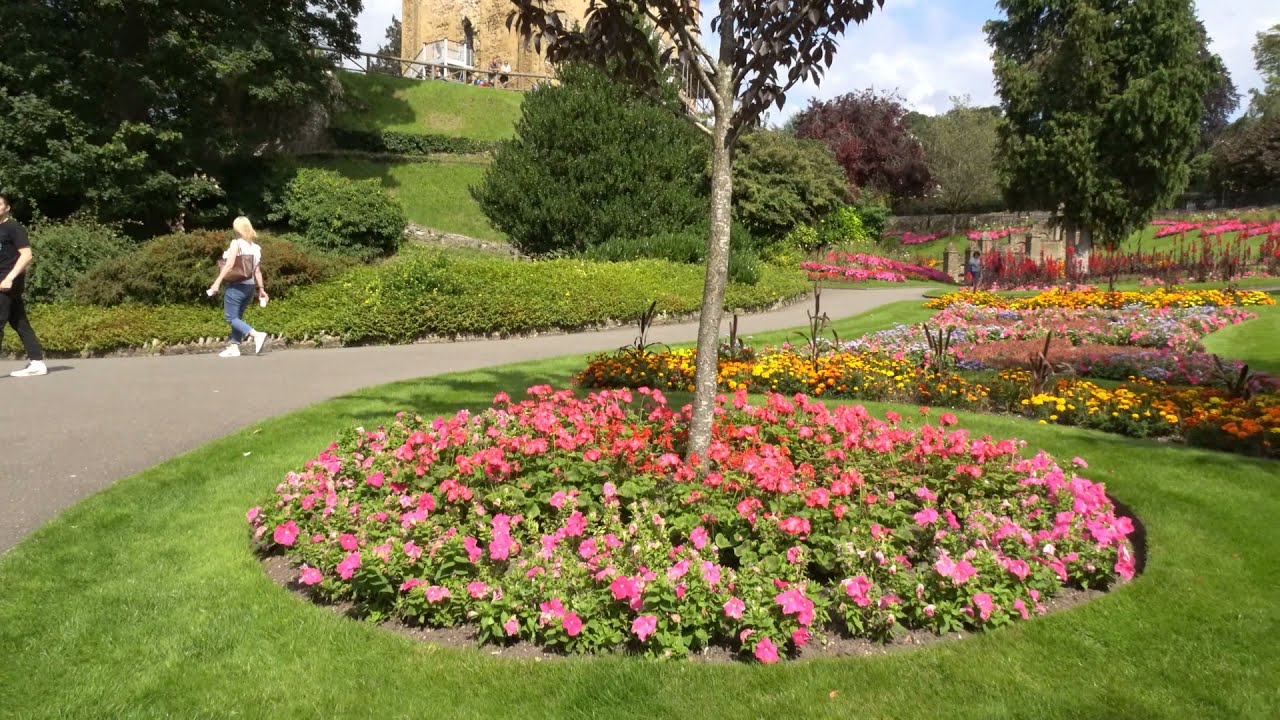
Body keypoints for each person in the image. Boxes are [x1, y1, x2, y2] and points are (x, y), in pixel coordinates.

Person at [0, 192, 47, 377]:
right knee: (19, 322)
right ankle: (37, 362)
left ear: (7, 208)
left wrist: (9, 278)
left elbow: (27, 255)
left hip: (7, 282)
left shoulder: (13, 228)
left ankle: (37, 362)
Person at [207, 216, 268, 357]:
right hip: (250, 287)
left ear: (237, 229)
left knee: (230, 318)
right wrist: (261, 289)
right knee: (237, 317)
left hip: (236, 286)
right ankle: (234, 347)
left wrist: (216, 283)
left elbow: (229, 265)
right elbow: (257, 270)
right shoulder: (256, 248)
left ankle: (256, 335)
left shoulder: (236, 244)